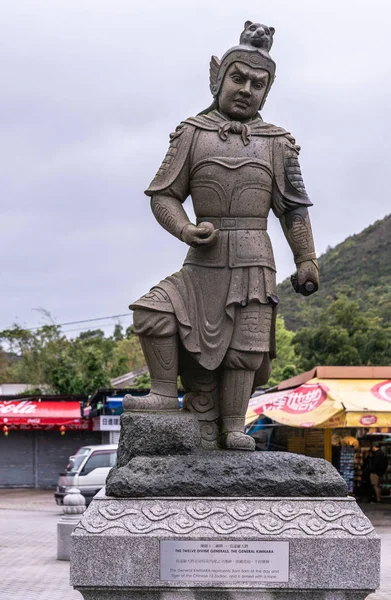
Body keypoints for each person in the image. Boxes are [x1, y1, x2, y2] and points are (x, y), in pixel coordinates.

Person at [124, 24, 319, 451]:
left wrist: (307, 259)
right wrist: (185, 229)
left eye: (257, 83)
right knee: (153, 312)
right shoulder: (191, 133)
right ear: (218, 78)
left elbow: (294, 208)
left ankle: (232, 426)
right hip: (203, 259)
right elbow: (164, 196)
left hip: (254, 258)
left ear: (267, 91)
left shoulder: (278, 143)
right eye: (238, 78)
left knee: (244, 351)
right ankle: (162, 392)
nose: (246, 89)